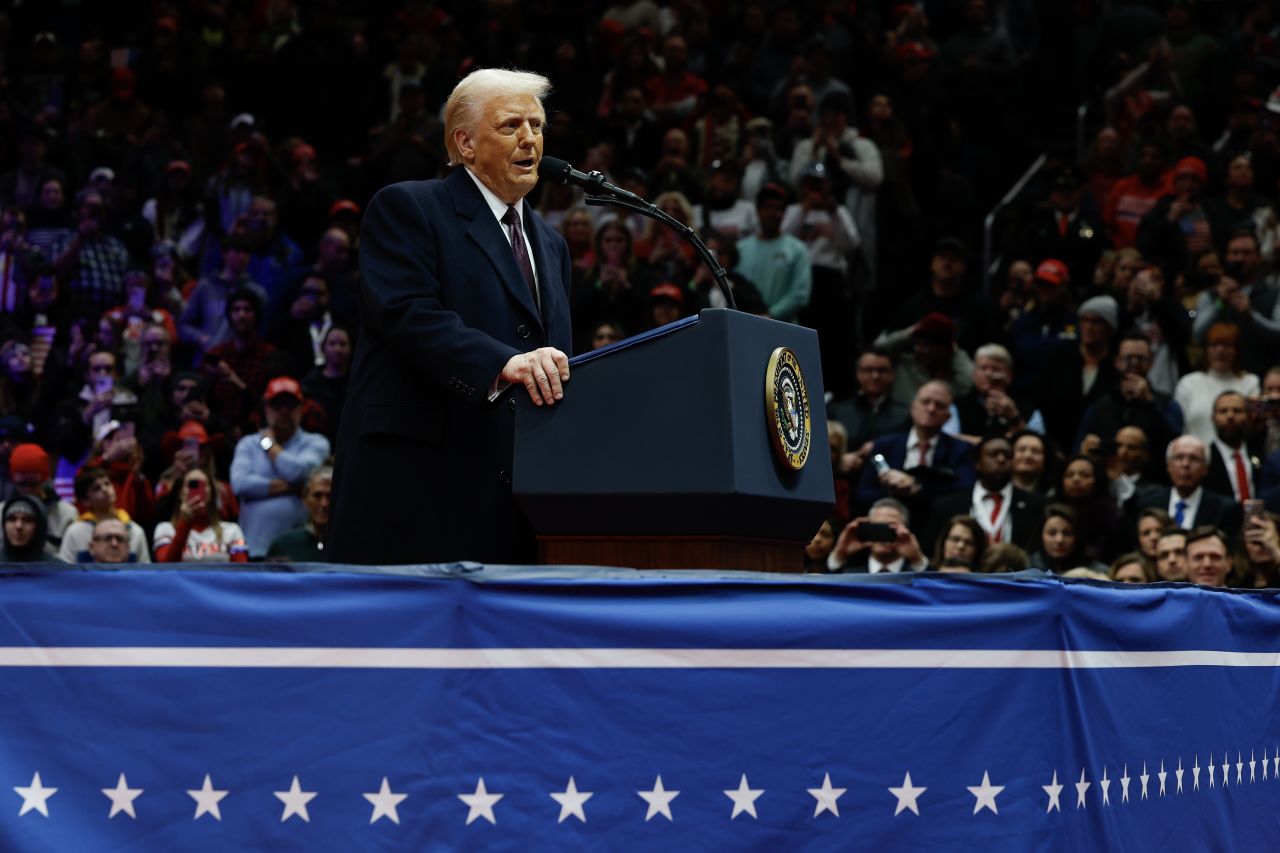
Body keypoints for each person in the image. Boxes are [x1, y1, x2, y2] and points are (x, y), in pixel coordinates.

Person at [329, 69, 573, 566]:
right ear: (465, 143)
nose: (530, 139)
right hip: (421, 491)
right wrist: (503, 362)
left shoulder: (551, 244)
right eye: (511, 126)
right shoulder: (408, 208)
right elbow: (406, 314)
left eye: (537, 125)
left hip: (519, 503)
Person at [230, 376, 329, 559]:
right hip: (254, 548)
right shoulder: (248, 444)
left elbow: (299, 472)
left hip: (300, 550)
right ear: (266, 409)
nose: (284, 411)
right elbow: (240, 484)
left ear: (301, 409)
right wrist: (293, 486)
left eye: (290, 405)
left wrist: (269, 445)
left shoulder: (316, 443)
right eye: (277, 405)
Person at [926, 433, 1045, 553]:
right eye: (993, 454)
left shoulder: (1035, 505)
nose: (1001, 459)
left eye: (1007, 456)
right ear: (977, 462)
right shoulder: (947, 506)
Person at [1135, 435, 1242, 539]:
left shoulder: (1225, 510)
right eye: (1179, 457)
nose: (1185, 464)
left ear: (1206, 468)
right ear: (1168, 466)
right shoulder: (1149, 505)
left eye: (1194, 459)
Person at [734, 184, 811, 323]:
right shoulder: (740, 248)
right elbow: (732, 287)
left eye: (778, 209)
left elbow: (800, 295)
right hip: (745, 326)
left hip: (784, 328)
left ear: (784, 213)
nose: (772, 213)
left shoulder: (797, 249)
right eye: (767, 208)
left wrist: (769, 315)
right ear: (758, 211)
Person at [1174, 322, 1260, 445]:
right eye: (1214, 345)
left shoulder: (1249, 382)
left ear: (1236, 350)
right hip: (1196, 457)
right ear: (1206, 350)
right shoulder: (1188, 383)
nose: (1220, 350)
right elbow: (1178, 427)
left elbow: (1251, 427)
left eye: (1227, 345)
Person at [153, 467, 248, 562]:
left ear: (211, 492)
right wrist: (184, 523)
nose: (198, 490)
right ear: (181, 493)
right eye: (192, 484)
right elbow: (166, 567)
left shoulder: (232, 531)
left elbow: (241, 571)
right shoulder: (165, 530)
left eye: (203, 485)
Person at [58, 467, 150, 562]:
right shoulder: (75, 532)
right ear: (85, 501)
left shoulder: (135, 531)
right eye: (96, 488)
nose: (105, 489)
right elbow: (64, 570)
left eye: (107, 484)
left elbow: (146, 572)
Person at [825, 497, 928, 573]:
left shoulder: (917, 578)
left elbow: (937, 589)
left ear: (906, 531)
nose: (882, 535)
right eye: (877, 528)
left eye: (890, 528)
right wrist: (839, 555)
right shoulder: (850, 575)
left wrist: (917, 560)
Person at [267, 466, 333, 562]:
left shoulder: (353, 544)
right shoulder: (284, 545)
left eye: (330, 496)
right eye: (317, 495)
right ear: (305, 498)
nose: (324, 504)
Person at [1027, 503, 1102, 574]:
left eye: (1067, 533)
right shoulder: (1026, 568)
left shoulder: (1098, 573)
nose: (1059, 540)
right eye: (1052, 533)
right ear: (1040, 535)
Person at [2, 493, 60, 562]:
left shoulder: (56, 569)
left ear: (39, 526)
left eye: (27, 520)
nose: (18, 526)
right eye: (12, 519)